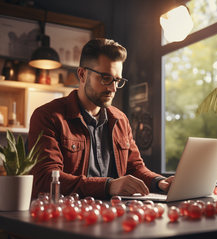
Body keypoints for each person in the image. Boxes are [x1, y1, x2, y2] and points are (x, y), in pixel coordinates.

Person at [28, 38, 174, 199]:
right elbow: (46, 179)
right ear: (82, 74)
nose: (113, 88)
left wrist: (160, 182)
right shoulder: (48, 117)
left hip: (113, 215)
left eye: (117, 80)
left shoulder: (121, 120)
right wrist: (108, 186)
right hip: (66, 217)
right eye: (105, 77)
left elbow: (135, 168)